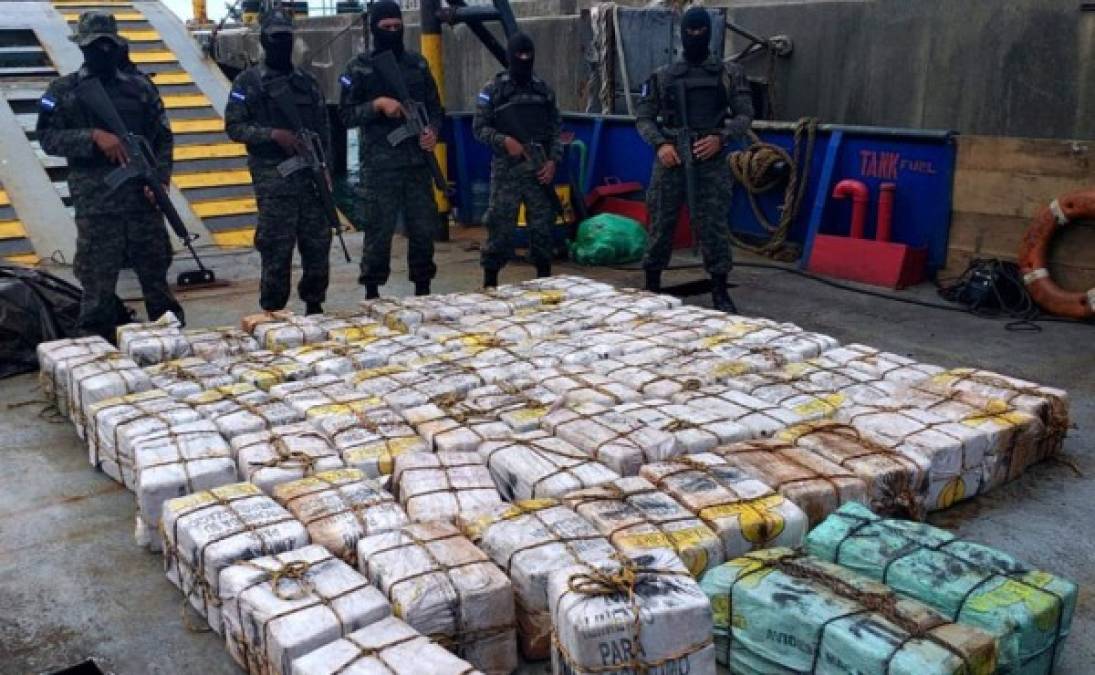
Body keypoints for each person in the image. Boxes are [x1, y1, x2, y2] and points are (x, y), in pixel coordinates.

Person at [37, 11, 183, 340]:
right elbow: (47, 138)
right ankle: (97, 351)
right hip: (97, 205)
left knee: (157, 280)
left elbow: (163, 138)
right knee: (97, 288)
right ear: (82, 47)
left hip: (141, 200)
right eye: (94, 46)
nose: (101, 52)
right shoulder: (63, 91)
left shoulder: (141, 88)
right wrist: (92, 137)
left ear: (116, 45)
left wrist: (160, 178)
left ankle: (169, 346)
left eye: (107, 45)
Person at [636, 6, 754, 312]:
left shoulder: (729, 74)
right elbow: (644, 118)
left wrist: (722, 138)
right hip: (672, 156)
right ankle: (651, 285)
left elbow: (745, 115)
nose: (696, 36)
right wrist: (661, 144)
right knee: (661, 222)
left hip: (711, 158)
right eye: (691, 31)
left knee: (713, 224)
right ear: (682, 34)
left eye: (702, 30)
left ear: (709, 33)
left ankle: (719, 288)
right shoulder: (662, 76)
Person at [225, 10, 333, 315]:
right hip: (274, 179)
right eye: (276, 38)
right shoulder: (247, 83)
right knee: (276, 248)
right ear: (264, 40)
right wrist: (272, 135)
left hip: (310, 178)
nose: (282, 44)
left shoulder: (308, 83)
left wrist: (326, 169)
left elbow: (324, 130)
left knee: (317, 244)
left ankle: (314, 304)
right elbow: (234, 127)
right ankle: (272, 310)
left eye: (287, 37)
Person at [338, 0, 443, 298]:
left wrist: (432, 132)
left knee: (423, 229)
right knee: (379, 231)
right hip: (380, 166)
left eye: (398, 27)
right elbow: (345, 115)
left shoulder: (418, 64)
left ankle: (423, 286)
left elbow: (436, 109)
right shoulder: (358, 68)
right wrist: (377, 105)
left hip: (417, 164)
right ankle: (372, 289)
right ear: (374, 29)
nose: (393, 31)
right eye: (386, 28)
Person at [473, 33, 562, 287]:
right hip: (507, 172)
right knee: (500, 229)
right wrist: (504, 141)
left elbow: (556, 129)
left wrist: (553, 161)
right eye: (519, 55)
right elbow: (479, 127)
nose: (524, 59)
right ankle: (490, 284)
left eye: (528, 55)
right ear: (511, 56)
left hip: (539, 170)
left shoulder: (543, 91)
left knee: (543, 230)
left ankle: (544, 283)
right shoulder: (493, 90)